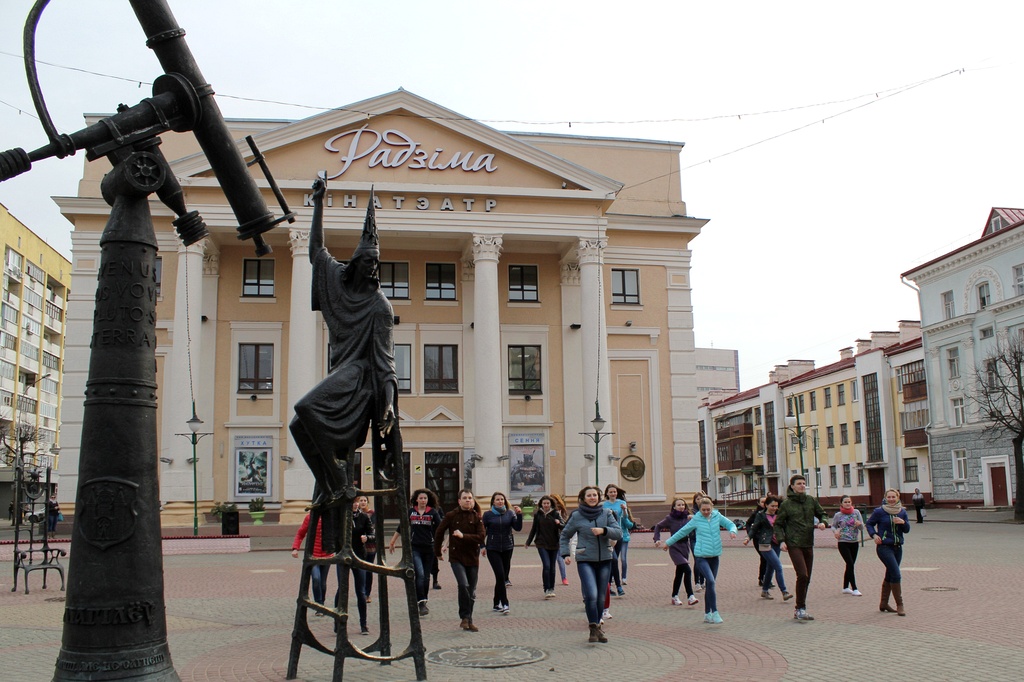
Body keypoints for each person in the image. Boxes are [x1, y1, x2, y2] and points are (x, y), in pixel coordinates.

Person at [289, 178, 399, 509]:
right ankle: (330, 483)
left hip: (361, 379)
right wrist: (318, 202)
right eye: (368, 263)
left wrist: (390, 403)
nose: (372, 269)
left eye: (376, 265)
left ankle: (339, 478)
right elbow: (315, 252)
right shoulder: (337, 281)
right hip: (343, 371)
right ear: (355, 263)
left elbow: (386, 362)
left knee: (305, 408)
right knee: (297, 426)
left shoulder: (381, 306)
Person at [658, 496, 737, 624]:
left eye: (708, 510)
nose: (706, 512)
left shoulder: (717, 516)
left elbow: (730, 524)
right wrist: (668, 542)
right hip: (701, 556)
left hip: (715, 555)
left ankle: (707, 614)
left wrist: (733, 531)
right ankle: (715, 612)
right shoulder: (696, 519)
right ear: (699, 510)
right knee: (710, 581)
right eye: (703, 510)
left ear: (712, 508)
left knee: (711, 585)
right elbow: (682, 532)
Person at [560, 485, 622, 643]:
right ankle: (593, 626)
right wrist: (565, 553)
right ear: (583, 498)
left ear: (599, 497)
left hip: (604, 560)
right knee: (592, 595)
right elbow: (565, 535)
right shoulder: (577, 516)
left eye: (595, 495)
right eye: (589, 495)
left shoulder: (606, 513)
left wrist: (604, 530)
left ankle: (597, 629)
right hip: (585, 559)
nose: (593, 498)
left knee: (601, 597)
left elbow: (618, 532)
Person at [772, 474, 827, 621]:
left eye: (804, 483)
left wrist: (823, 522)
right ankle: (800, 608)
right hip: (793, 543)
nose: (802, 486)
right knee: (802, 574)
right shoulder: (787, 504)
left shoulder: (811, 501)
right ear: (792, 486)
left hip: (808, 542)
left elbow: (823, 514)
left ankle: (800, 609)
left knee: (807, 577)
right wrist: (782, 541)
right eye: (799, 484)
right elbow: (778, 524)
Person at [434, 488, 486, 631]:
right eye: (465, 498)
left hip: (472, 557)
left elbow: (481, 537)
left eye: (470, 498)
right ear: (459, 501)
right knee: (463, 585)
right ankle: (464, 616)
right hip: (456, 557)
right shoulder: (452, 515)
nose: (468, 500)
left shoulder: (477, 517)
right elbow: (439, 532)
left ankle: (468, 619)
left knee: (472, 590)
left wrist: (464, 536)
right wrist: (437, 551)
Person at [388, 488, 443, 617]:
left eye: (425, 498)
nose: (423, 500)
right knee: (420, 574)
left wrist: (440, 545)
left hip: (429, 548)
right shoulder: (411, 512)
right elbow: (401, 527)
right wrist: (392, 541)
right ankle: (421, 603)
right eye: (421, 498)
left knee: (427, 577)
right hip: (415, 548)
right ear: (416, 499)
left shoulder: (432, 513)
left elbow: (440, 529)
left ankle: (424, 600)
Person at [866, 488, 911, 616]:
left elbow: (907, 529)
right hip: (884, 547)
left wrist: (903, 523)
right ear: (885, 498)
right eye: (889, 497)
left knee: (890, 574)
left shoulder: (902, 512)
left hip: (898, 547)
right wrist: (874, 535)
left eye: (893, 497)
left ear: (898, 498)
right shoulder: (879, 511)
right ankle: (900, 605)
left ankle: (883, 603)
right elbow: (869, 524)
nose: (891, 499)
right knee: (896, 574)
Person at [743, 494, 792, 601]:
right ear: (766, 505)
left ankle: (765, 591)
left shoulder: (779, 515)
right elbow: (754, 528)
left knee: (771, 568)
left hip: (776, 544)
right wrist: (748, 538)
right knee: (778, 566)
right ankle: (784, 591)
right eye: (772, 506)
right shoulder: (760, 515)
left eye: (776, 506)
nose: (774, 508)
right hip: (765, 544)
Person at [652, 498, 699, 606]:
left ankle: (674, 596)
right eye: (679, 505)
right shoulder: (670, 518)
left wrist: (694, 518)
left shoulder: (688, 517)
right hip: (674, 547)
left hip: (685, 546)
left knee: (679, 572)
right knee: (687, 570)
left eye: (683, 504)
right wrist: (657, 539)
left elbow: (701, 522)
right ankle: (690, 596)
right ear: (674, 507)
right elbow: (658, 526)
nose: (681, 507)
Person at [481, 491, 522, 614]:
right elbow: (483, 532)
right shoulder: (487, 515)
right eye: (498, 500)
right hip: (493, 548)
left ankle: (495, 603)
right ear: (493, 501)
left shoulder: (510, 513)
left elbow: (518, 528)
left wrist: (519, 515)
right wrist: (482, 545)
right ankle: (505, 603)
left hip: (507, 547)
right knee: (500, 576)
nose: (500, 501)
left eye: (502, 500)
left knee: (502, 576)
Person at [341, 499, 374, 635]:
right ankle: (338, 622)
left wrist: (367, 538)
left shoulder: (363, 517)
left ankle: (363, 624)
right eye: (352, 502)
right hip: (344, 556)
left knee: (361, 591)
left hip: (359, 556)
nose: (355, 504)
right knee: (341, 589)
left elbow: (372, 534)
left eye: (356, 502)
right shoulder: (342, 517)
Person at [525, 495, 565, 598]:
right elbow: (534, 529)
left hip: (554, 543)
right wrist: (528, 542)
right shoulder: (538, 514)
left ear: (551, 504)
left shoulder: (555, 513)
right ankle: (546, 588)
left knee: (552, 567)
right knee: (546, 565)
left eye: (548, 503)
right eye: (544, 503)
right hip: (541, 543)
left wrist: (558, 523)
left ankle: (552, 588)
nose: (546, 505)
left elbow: (564, 526)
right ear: (541, 504)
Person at [291, 512, 330, 612]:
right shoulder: (310, 517)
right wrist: (295, 548)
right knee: (316, 579)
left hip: (326, 555)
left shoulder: (330, 516)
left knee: (323, 583)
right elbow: (301, 533)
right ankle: (319, 605)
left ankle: (322, 603)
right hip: (313, 555)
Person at [831, 495, 866, 596]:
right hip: (843, 542)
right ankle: (855, 588)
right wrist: (835, 532)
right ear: (841, 503)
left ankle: (845, 587)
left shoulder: (856, 513)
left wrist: (859, 524)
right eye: (845, 502)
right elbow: (833, 526)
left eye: (849, 502)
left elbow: (862, 528)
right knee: (850, 563)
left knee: (850, 565)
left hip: (854, 542)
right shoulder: (838, 515)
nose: (847, 504)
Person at [603, 484, 633, 595]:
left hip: (619, 535)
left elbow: (625, 518)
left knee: (615, 561)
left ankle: (613, 586)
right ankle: (617, 586)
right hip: (608, 535)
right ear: (607, 493)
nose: (613, 494)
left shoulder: (621, 503)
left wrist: (624, 511)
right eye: (610, 492)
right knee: (613, 560)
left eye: (614, 492)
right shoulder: (604, 505)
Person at [744, 496, 769, 589]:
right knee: (764, 557)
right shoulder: (756, 513)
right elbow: (748, 523)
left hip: (767, 539)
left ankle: (765, 579)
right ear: (758, 503)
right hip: (758, 539)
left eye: (766, 502)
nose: (764, 504)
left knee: (767, 559)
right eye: (762, 502)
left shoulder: (770, 512)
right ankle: (762, 579)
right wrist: (750, 535)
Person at [356, 495, 377, 603]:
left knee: (368, 570)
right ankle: (361, 592)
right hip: (359, 547)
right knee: (360, 571)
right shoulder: (356, 514)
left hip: (370, 547)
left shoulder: (372, 514)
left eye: (364, 500)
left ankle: (367, 593)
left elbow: (373, 529)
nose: (363, 502)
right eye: (361, 500)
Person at [550, 494, 571, 585]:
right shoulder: (547, 510)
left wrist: (559, 520)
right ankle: (552, 579)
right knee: (552, 561)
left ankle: (564, 578)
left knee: (559, 558)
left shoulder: (559, 511)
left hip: (559, 537)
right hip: (549, 538)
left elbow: (564, 525)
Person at [689, 491, 707, 592]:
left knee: (704, 559)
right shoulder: (692, 512)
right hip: (694, 538)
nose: (699, 500)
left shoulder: (706, 510)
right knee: (697, 560)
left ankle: (703, 580)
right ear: (695, 501)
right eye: (698, 499)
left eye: (701, 498)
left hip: (704, 538)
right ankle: (697, 582)